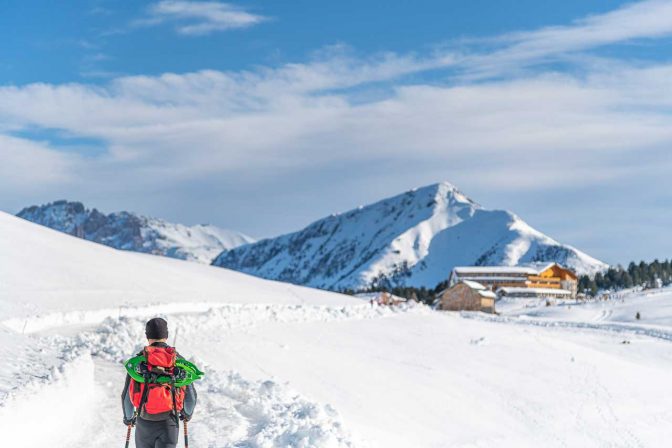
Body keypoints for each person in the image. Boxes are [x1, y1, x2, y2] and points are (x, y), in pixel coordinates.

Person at [121, 317, 197, 448]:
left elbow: (126, 396)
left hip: (144, 422)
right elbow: (190, 396)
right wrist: (187, 414)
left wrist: (128, 418)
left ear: (147, 336)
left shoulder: (138, 362)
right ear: (166, 335)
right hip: (169, 422)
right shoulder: (177, 360)